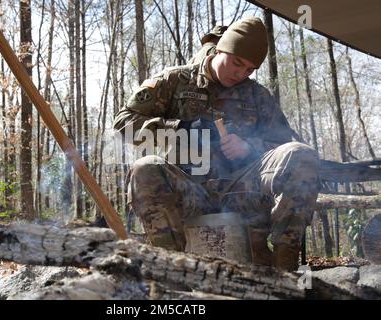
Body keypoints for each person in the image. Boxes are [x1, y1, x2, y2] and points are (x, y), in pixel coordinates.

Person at [113, 17, 319, 271]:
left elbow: (283, 145)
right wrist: (177, 129)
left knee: (302, 155)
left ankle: (284, 275)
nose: (240, 74)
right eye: (237, 63)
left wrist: (249, 147)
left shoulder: (257, 95)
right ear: (220, 49)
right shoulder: (176, 81)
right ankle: (172, 273)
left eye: (249, 70)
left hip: (242, 192)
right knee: (145, 167)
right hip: (189, 190)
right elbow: (124, 122)